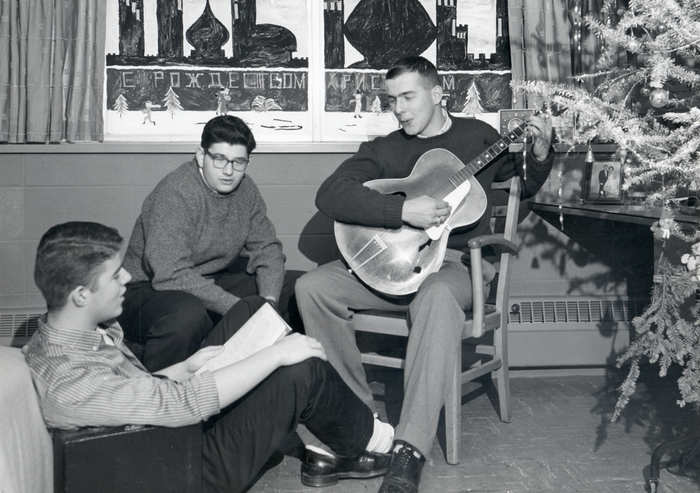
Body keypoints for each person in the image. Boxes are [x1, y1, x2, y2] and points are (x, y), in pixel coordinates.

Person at [295, 56, 554, 493]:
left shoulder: (479, 137)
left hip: (456, 265)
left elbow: (521, 185)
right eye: (392, 99)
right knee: (312, 287)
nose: (399, 109)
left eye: (408, 97)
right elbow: (330, 194)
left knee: (435, 295)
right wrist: (400, 209)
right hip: (398, 264)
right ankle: (358, 427)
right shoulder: (384, 150)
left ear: (437, 93)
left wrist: (542, 153)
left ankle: (408, 449)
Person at [23, 221, 395, 493]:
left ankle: (286, 428)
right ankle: (370, 442)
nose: (125, 278)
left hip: (166, 435)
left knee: (252, 310)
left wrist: (182, 367)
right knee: (302, 369)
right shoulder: (68, 381)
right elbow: (182, 405)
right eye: (113, 275)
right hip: (190, 469)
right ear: (80, 295)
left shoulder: (67, 334)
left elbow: (125, 394)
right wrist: (277, 356)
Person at [118, 114, 301, 372]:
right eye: (219, 159)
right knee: (186, 314)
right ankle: (163, 393)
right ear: (200, 155)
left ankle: (273, 378)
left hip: (209, 277)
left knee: (297, 288)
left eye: (238, 162)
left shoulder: (246, 189)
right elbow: (170, 274)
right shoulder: (176, 191)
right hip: (146, 289)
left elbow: (267, 249)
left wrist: (268, 303)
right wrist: (242, 311)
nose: (228, 171)